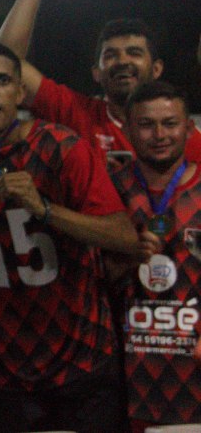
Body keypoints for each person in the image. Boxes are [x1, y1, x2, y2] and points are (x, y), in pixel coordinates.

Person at [0, 39, 137, 432]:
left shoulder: (62, 147)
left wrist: (45, 209)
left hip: (85, 359)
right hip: (9, 366)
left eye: (2, 80)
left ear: (20, 92)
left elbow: (124, 236)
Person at [0, 0, 201, 166]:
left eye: (134, 52)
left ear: (156, 69)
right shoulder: (76, 113)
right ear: (96, 72)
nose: (122, 61)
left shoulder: (179, 135)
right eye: (110, 55)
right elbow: (3, 63)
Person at [109, 81, 201, 430]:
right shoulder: (109, 189)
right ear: (127, 129)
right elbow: (86, 275)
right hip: (121, 377)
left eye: (170, 123)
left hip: (193, 376)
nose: (159, 135)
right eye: (146, 125)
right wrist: (125, 258)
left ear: (189, 128)